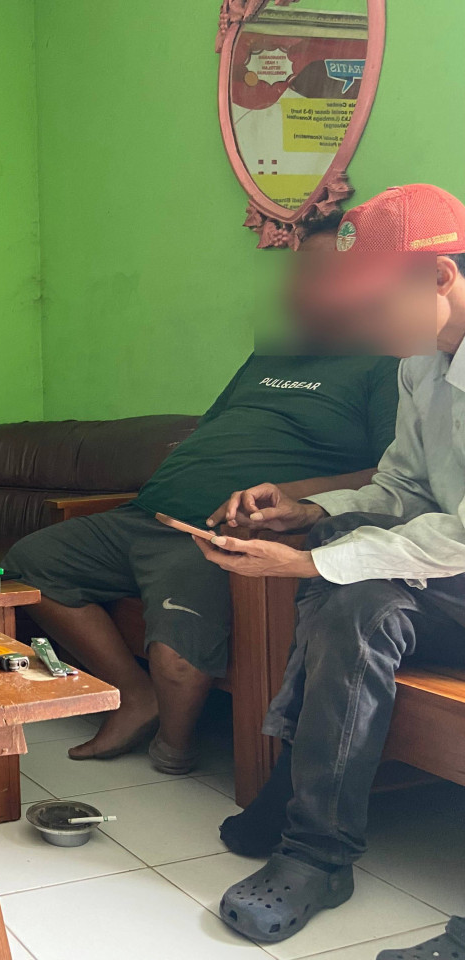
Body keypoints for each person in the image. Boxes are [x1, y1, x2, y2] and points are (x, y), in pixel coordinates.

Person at [3, 220, 398, 775]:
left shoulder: (388, 364)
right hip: (144, 514)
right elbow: (212, 428)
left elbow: (390, 475)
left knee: (179, 661)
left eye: (322, 271)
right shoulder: (272, 356)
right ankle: (133, 697)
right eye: (299, 269)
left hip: (217, 535)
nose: (299, 284)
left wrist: (290, 497)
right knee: (29, 565)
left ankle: (173, 746)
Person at [196, 184, 465, 947]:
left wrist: (313, 563)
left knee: (343, 585)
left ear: (439, 276)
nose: (361, 324)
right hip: (448, 580)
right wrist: (313, 515)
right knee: (354, 599)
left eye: (375, 305)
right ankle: (316, 847)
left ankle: (301, 816)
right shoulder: (422, 364)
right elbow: (405, 490)